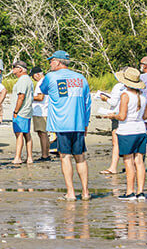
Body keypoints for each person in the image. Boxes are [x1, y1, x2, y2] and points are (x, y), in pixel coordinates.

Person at [39, 50, 92, 201]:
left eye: (51, 61)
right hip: (78, 122)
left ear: (57, 62)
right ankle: (85, 192)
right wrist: (86, 122)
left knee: (65, 157)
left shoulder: (51, 77)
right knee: (80, 157)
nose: (50, 64)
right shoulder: (81, 78)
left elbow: (43, 90)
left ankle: (71, 193)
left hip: (61, 123)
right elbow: (87, 102)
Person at [99, 67, 147, 200]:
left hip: (127, 131)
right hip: (141, 129)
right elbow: (146, 116)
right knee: (139, 162)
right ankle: (140, 192)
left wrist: (111, 116)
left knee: (128, 162)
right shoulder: (142, 96)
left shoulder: (125, 95)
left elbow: (122, 116)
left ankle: (130, 192)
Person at [10, 61, 36, 164]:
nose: (13, 70)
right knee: (26, 134)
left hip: (21, 111)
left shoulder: (23, 80)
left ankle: (18, 157)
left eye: (14, 67)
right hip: (27, 110)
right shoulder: (27, 79)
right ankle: (29, 157)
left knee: (19, 134)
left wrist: (16, 111)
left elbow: (21, 96)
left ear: (20, 69)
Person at [30, 66, 52, 160]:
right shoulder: (46, 81)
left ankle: (45, 155)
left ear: (37, 74)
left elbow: (40, 97)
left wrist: (29, 97)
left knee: (42, 133)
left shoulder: (41, 83)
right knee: (43, 133)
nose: (33, 78)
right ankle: (46, 153)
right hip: (44, 110)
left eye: (33, 76)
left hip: (41, 112)